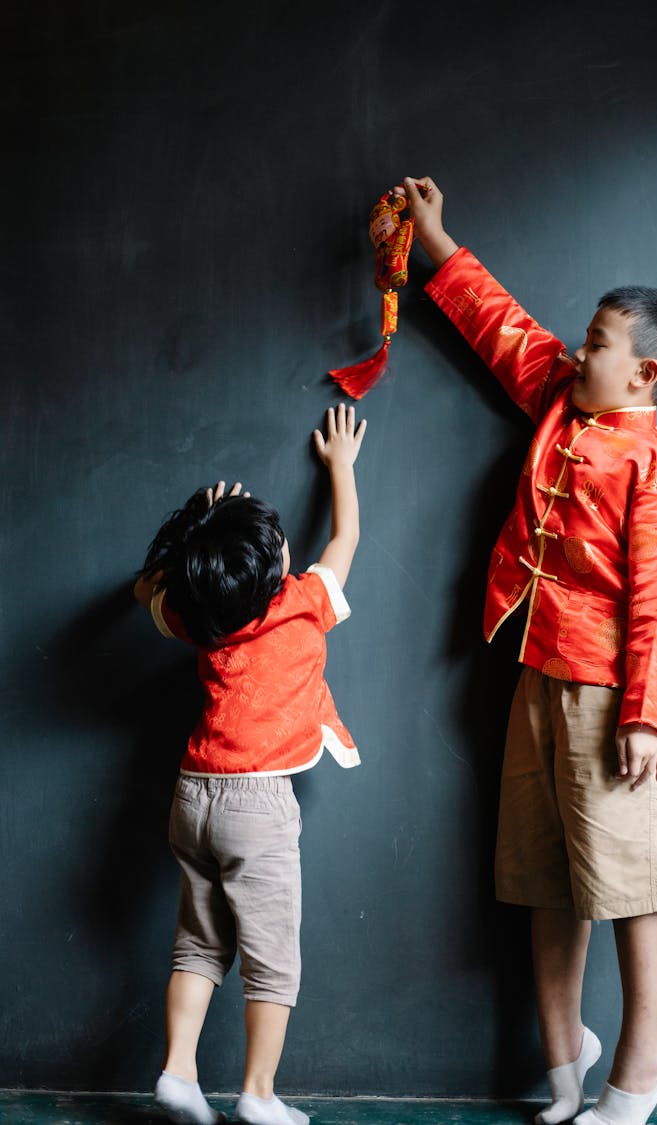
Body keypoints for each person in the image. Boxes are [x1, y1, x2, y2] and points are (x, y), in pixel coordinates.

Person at [396, 176, 657, 1125]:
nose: (578, 350)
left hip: (618, 701)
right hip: (535, 676)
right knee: (540, 876)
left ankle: (643, 1066)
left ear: (644, 373)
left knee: (635, 881)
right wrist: (439, 244)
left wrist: (646, 716)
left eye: (600, 344)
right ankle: (566, 1068)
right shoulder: (562, 404)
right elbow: (505, 329)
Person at [133, 403, 367, 1125]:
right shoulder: (302, 604)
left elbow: (148, 586)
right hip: (257, 806)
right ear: (281, 564)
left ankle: (177, 1072)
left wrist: (200, 529)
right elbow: (346, 537)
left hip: (192, 795)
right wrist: (340, 467)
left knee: (199, 943)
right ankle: (259, 1094)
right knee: (272, 958)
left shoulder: (194, 612)